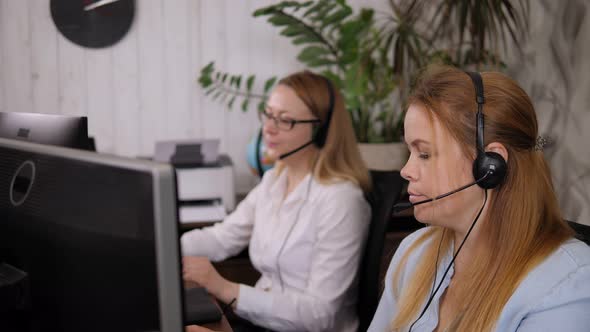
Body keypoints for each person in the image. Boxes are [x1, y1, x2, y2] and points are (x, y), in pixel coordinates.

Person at [368, 65, 590, 331]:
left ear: (489, 165)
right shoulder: (414, 252)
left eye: (424, 154)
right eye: (410, 152)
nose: (406, 171)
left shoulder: (565, 285)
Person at [181, 70, 372, 332]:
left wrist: (224, 287)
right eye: (269, 114)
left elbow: (320, 315)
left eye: (285, 120)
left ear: (321, 131)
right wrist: (162, 248)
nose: (269, 128)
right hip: (261, 325)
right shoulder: (273, 181)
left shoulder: (341, 200)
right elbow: (221, 238)